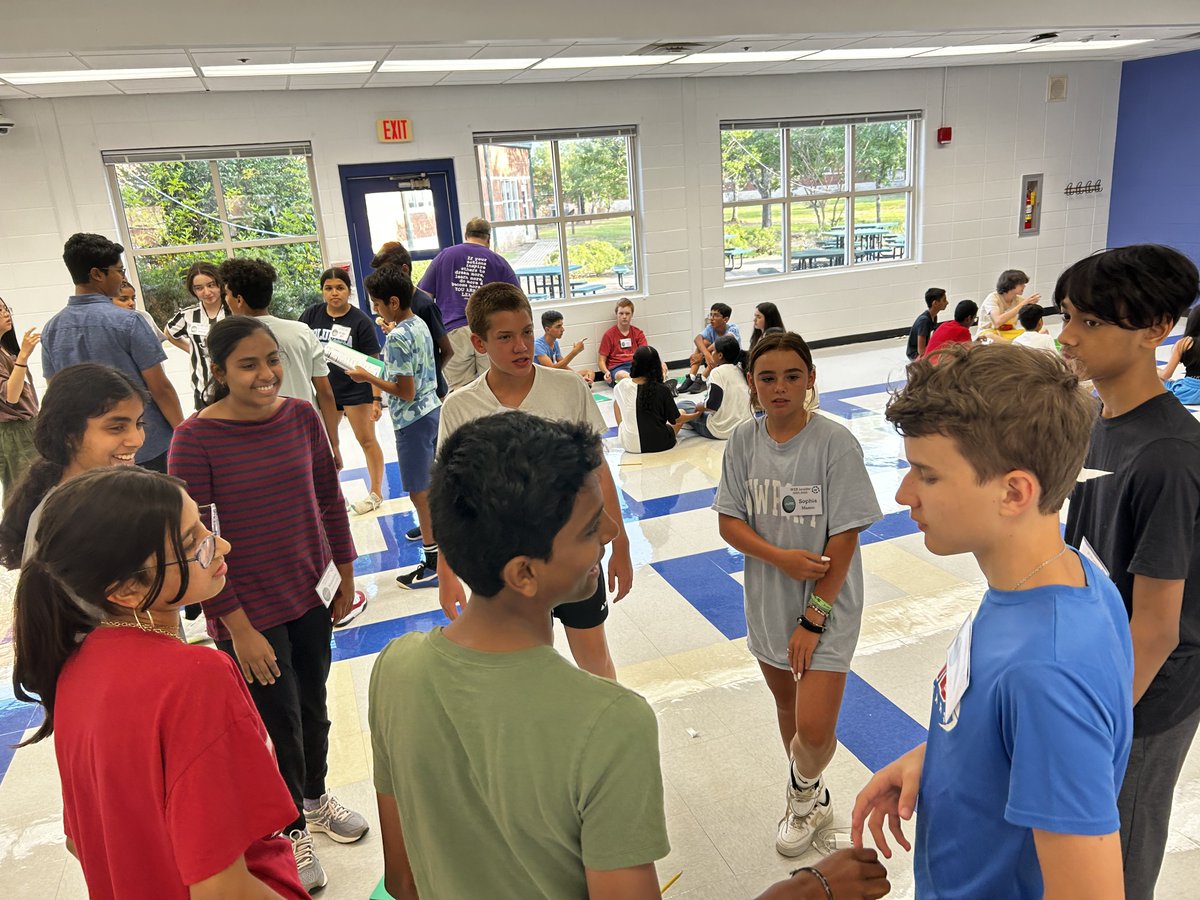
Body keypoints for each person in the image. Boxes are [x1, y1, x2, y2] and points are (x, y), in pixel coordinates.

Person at [369, 411, 893, 900]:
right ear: (524, 573)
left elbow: (403, 880)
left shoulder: (396, 669)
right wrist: (810, 890)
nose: (612, 532)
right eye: (588, 528)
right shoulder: (608, 721)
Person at [853, 341, 1131, 900]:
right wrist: (935, 758)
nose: (904, 494)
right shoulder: (1064, 576)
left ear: (1014, 491)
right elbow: (1012, 735)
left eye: (927, 475)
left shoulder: (1046, 673)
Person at [11, 466, 307, 899]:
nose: (221, 545)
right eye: (192, 544)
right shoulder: (195, 678)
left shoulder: (75, 668)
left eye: (204, 525)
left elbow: (79, 840)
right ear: (126, 589)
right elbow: (222, 890)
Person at [169, 316, 367, 892]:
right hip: (247, 610)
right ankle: (288, 827)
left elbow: (328, 499)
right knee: (276, 720)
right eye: (248, 364)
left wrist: (345, 572)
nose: (266, 373)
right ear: (220, 372)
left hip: (309, 590)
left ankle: (315, 799)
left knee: (314, 706)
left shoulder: (301, 416)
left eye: (272, 359)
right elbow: (200, 542)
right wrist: (237, 626)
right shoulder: (194, 439)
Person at [1057, 245, 1200, 900]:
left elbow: (1158, 628)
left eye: (1090, 322)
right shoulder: (1096, 417)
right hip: (1097, 663)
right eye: (1067, 316)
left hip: (1145, 694)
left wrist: (1098, 721)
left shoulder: (1169, 455)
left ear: (1156, 329)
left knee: (1120, 851)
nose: (1067, 336)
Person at [713, 331, 882, 857]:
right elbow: (728, 521)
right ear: (751, 383)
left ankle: (801, 794)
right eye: (767, 378)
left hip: (826, 606)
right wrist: (780, 557)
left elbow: (846, 535)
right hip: (768, 602)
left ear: (810, 378)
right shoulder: (743, 442)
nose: (780, 387)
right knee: (788, 706)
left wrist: (814, 617)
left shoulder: (835, 443)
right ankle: (813, 799)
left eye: (792, 376)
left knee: (813, 730)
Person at [436, 283, 633, 680]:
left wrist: (621, 542)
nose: (521, 346)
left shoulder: (568, 388)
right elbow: (453, 499)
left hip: (575, 553)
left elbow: (597, 470)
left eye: (526, 332)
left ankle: (608, 717)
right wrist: (446, 572)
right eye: (505, 337)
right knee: (521, 665)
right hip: (504, 561)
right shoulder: (460, 406)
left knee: (594, 661)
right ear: (479, 342)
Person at [41, 233, 183, 472]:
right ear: (97, 274)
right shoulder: (130, 322)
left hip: (91, 454)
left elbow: (56, 393)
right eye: (119, 270)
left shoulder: (52, 329)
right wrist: (183, 433)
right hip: (145, 446)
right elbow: (160, 387)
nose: (122, 277)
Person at [346, 265, 442, 589]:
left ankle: (433, 563)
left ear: (393, 302)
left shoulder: (399, 336)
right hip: (431, 411)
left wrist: (367, 377)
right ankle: (438, 542)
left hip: (412, 419)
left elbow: (405, 391)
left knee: (419, 492)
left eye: (377, 304)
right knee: (430, 485)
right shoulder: (416, 324)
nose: (376, 310)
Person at [0, 364, 144, 568]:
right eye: (116, 427)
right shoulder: (67, 523)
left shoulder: (108, 493)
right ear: (68, 434)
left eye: (139, 424)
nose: (137, 440)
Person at [218, 258, 342, 469]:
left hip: (257, 442)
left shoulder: (228, 339)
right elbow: (325, 393)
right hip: (308, 435)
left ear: (239, 300)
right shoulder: (301, 331)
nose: (225, 299)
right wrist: (334, 444)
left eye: (227, 294)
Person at [300, 267, 385, 514]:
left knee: (367, 440)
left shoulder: (360, 321)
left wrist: (376, 398)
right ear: (322, 291)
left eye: (340, 288)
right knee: (326, 445)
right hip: (325, 391)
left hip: (355, 391)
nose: (334, 293)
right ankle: (331, 495)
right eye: (328, 288)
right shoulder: (311, 315)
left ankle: (376, 493)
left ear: (349, 290)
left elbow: (374, 362)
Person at [417, 217, 520, 389]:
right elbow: (516, 301)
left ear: (466, 235)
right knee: (494, 387)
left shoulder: (445, 256)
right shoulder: (498, 261)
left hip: (453, 332)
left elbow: (424, 296)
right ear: (488, 238)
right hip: (487, 332)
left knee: (460, 390)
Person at [371, 241, 453, 399]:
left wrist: (428, 376)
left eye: (388, 273)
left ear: (404, 269)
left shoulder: (425, 305)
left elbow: (447, 351)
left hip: (431, 395)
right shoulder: (397, 307)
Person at [165, 262, 230, 410]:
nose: (207, 292)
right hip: (202, 389)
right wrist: (192, 349)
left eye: (211, 285)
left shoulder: (233, 311)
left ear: (220, 284)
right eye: (199, 288)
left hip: (234, 387)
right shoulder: (188, 315)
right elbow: (169, 333)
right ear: (193, 291)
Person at [613, 346, 698, 453]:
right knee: (681, 411)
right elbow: (677, 420)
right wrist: (696, 414)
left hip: (628, 445)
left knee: (616, 402)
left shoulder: (620, 386)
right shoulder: (662, 389)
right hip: (659, 444)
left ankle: (625, 431)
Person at [0, 297, 40, 493]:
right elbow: (11, 396)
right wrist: (23, 356)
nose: (6, 314)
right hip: (14, 432)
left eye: (6, 309)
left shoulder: (6, 348)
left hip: (27, 426)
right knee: (24, 491)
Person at [688, 334, 752, 441]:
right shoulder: (741, 369)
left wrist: (700, 406)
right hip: (744, 428)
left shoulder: (717, 372)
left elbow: (712, 404)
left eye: (713, 351)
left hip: (722, 430)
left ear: (720, 355)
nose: (712, 353)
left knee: (685, 405)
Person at [682, 302, 743, 394]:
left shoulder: (733, 328)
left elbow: (722, 341)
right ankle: (692, 377)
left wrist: (702, 355)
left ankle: (703, 379)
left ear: (725, 319)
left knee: (717, 349)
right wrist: (706, 354)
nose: (711, 318)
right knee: (704, 343)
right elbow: (697, 339)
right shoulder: (710, 328)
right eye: (711, 314)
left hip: (732, 361)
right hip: (714, 361)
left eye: (716, 315)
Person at [978, 269, 1040, 339]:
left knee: (1042, 331)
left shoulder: (1020, 300)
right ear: (1011, 284)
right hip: (990, 332)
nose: (1024, 286)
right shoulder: (992, 298)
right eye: (1021, 284)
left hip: (1010, 332)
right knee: (989, 336)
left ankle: (1014, 343)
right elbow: (997, 322)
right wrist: (1022, 305)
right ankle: (1016, 344)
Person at [535, 309, 594, 384]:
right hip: (544, 380)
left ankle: (583, 385)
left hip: (554, 376)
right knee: (575, 380)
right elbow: (552, 369)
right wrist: (574, 352)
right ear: (547, 330)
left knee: (589, 372)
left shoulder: (555, 343)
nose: (562, 329)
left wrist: (578, 377)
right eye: (558, 326)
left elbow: (562, 364)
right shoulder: (537, 345)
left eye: (562, 325)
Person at [598, 298, 648, 384]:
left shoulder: (638, 333)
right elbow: (601, 360)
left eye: (627, 313)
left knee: (658, 368)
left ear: (632, 315)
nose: (624, 317)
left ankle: (640, 383)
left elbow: (646, 353)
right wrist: (606, 372)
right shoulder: (608, 335)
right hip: (617, 368)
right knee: (622, 375)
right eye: (621, 313)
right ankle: (639, 383)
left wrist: (659, 363)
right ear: (616, 314)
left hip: (635, 365)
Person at [1158, 304, 1200, 405]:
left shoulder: (1184, 343)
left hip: (1186, 392)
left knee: (1153, 376)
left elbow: (1166, 374)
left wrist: (1153, 370)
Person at [905, 288, 948, 361]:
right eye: (944, 300)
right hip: (915, 354)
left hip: (925, 350)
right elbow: (921, 351)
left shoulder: (934, 316)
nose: (947, 302)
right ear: (935, 303)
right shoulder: (924, 321)